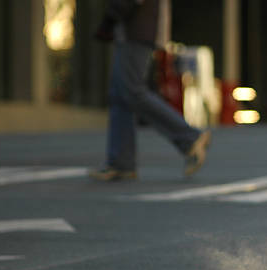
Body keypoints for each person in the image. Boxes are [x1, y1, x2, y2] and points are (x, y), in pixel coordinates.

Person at [90, 0, 211, 181]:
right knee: (120, 94)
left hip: (137, 29)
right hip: (134, 29)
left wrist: (111, 17)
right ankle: (121, 162)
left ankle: (189, 137)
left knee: (132, 91)